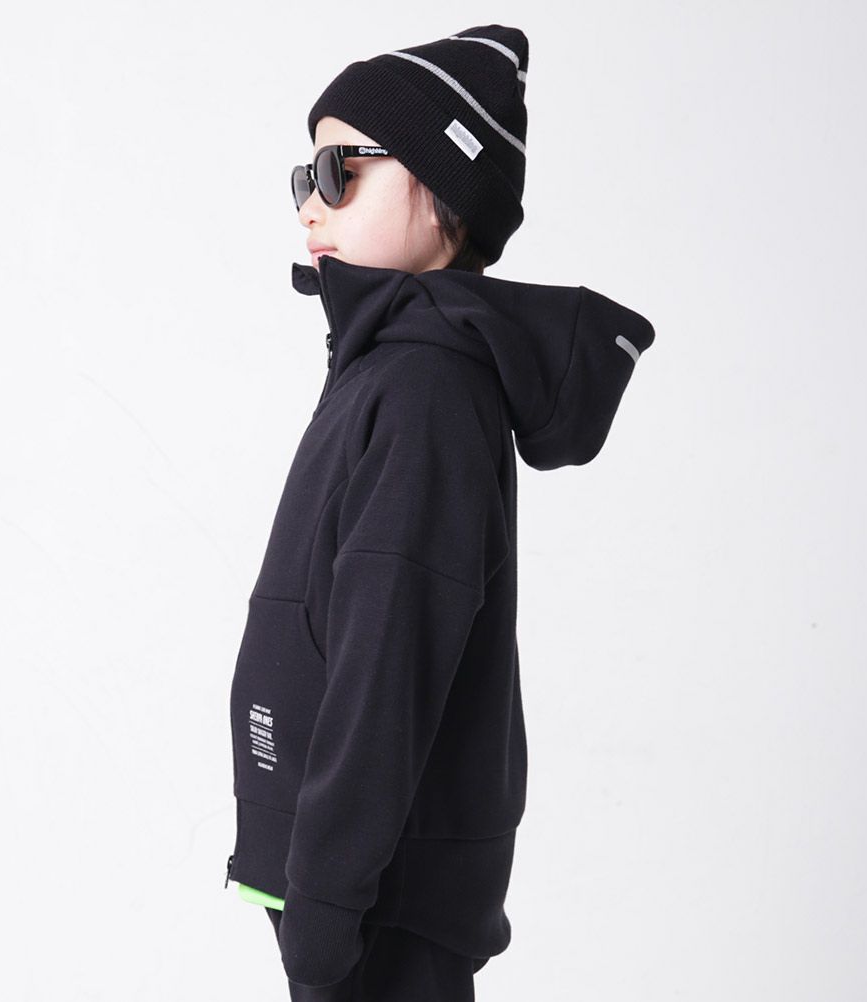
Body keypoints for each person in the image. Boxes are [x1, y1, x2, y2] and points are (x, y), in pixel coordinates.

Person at [226, 24, 656, 1001]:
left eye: (340, 171)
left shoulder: (424, 389)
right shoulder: (381, 367)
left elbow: (389, 662)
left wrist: (324, 908)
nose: (311, 203)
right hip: (342, 882)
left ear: (442, 187)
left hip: (373, 899)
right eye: (303, 178)